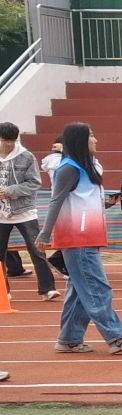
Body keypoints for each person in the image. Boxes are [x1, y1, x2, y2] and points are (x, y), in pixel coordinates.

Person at [40, 124, 122, 354]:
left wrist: (106, 203)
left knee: (80, 291)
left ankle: (69, 338)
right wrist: (45, 233)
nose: (96, 140)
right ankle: (116, 337)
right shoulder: (69, 169)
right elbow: (56, 201)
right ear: (79, 141)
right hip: (77, 237)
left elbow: (82, 200)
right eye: (91, 137)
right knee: (97, 288)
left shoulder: (87, 168)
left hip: (88, 235)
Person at [0, 122, 57, 301]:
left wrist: (10, 191)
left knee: (37, 250)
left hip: (25, 211)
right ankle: (3, 291)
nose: (9, 144)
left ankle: (47, 289)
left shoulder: (26, 156)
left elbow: (34, 183)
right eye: (5, 140)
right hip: (1, 214)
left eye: (12, 140)